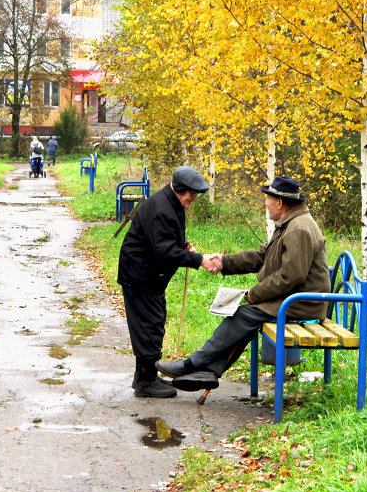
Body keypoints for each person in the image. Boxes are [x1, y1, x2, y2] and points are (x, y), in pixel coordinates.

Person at [156, 175, 331, 392]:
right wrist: (224, 263)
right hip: (295, 298)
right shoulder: (291, 223)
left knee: (245, 315)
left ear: (280, 202)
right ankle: (209, 372)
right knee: (247, 317)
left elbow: (290, 277)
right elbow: (261, 256)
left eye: (268, 198)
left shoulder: (298, 229)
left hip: (303, 303)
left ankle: (193, 364)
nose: (265, 203)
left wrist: (254, 294)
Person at [117, 166, 220, 398]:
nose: (194, 198)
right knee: (148, 326)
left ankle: (148, 375)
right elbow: (163, 252)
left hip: (148, 275)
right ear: (180, 189)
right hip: (140, 275)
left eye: (196, 194)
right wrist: (198, 259)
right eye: (191, 194)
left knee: (154, 321)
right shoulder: (162, 208)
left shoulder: (171, 202)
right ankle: (145, 381)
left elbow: (165, 241)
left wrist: (182, 246)